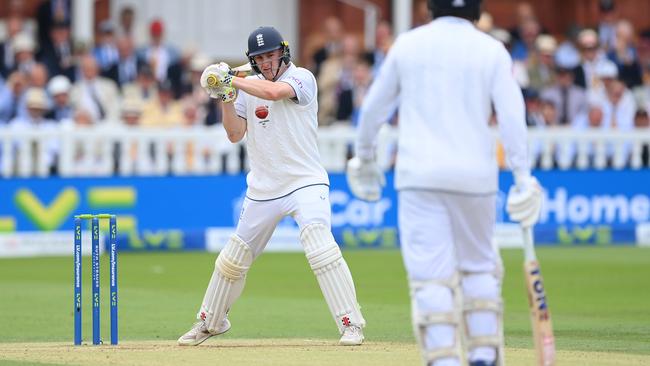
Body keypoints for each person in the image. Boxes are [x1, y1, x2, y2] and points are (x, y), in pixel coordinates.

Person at [346, 1, 543, 365]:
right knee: (479, 266)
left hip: (420, 176)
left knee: (430, 278)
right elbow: (513, 116)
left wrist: (365, 156)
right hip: (476, 177)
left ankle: (443, 360)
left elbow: (374, 108)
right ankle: (483, 355)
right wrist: (522, 176)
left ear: (429, 9)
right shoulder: (492, 49)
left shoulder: (408, 45)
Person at [177, 26, 365, 347]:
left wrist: (228, 78)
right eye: (259, 57)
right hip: (263, 187)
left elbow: (275, 94)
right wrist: (225, 95)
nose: (266, 62)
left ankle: (351, 324)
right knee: (232, 259)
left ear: (283, 52)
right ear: (253, 60)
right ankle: (210, 322)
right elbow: (235, 134)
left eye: (270, 54)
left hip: (305, 181)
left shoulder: (302, 77)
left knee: (320, 247)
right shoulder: (247, 86)